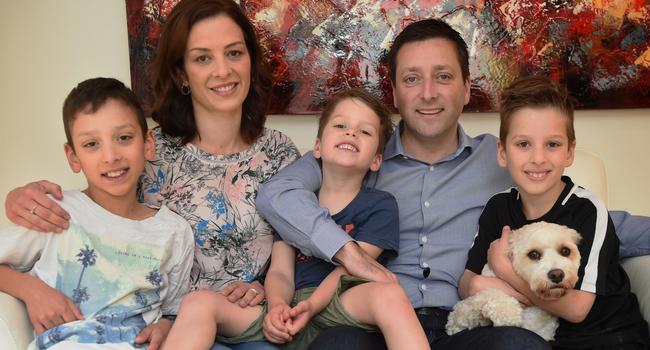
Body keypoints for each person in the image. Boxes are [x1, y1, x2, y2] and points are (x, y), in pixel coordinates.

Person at [254, 19, 650, 349]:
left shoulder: (506, 158)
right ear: (394, 92)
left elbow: (578, 217)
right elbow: (277, 196)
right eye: (412, 79)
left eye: (442, 77)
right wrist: (351, 256)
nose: (428, 93)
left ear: (465, 89)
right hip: (377, 325)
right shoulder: (358, 152)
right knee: (335, 345)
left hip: (469, 326)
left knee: (520, 345)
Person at [4, 0, 299, 350]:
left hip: (245, 324)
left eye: (234, 53)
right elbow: (101, 214)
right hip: (169, 333)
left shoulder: (280, 153)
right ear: (181, 73)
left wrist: (262, 288)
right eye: (203, 58)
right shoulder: (146, 150)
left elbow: (291, 251)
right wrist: (21, 198)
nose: (223, 70)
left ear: (251, 60)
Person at [162, 88, 429, 350]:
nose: (351, 133)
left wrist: (311, 307)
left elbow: (351, 269)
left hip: (341, 300)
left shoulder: (379, 205)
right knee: (198, 303)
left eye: (365, 131)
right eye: (340, 125)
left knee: (391, 294)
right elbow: (280, 270)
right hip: (287, 302)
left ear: (376, 160)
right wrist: (277, 307)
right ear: (317, 147)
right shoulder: (296, 207)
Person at [0, 77, 194, 349]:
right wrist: (32, 291)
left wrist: (164, 326)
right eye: (92, 144)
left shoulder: (174, 231)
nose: (111, 156)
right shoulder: (55, 211)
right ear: (73, 157)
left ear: (147, 143)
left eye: (124, 138)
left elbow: (174, 310)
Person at [461, 75, 650, 349]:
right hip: (541, 341)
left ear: (570, 152)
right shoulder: (498, 207)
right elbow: (468, 283)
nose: (538, 158)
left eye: (552, 144)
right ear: (502, 153)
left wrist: (506, 272)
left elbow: (577, 309)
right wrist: (478, 285)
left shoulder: (587, 209)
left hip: (609, 338)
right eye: (523, 144)